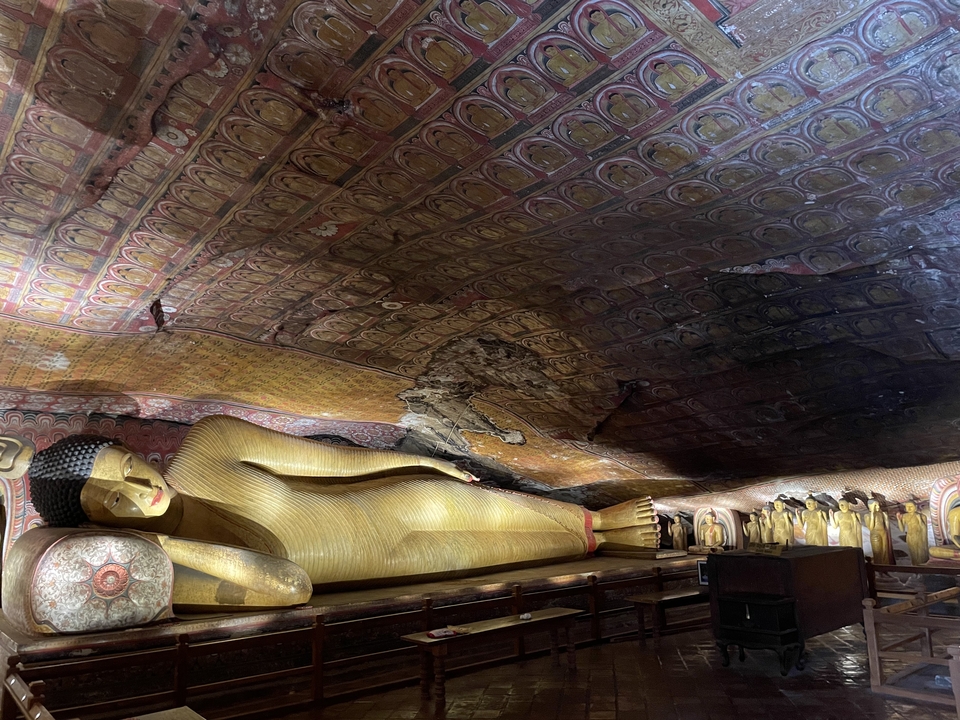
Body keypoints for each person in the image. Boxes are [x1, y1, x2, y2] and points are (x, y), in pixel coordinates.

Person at [20, 416, 660, 607]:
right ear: (100, 526)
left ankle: (607, 520)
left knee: (510, 510)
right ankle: (604, 535)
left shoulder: (208, 444)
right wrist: (161, 551)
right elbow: (289, 586)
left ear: (136, 451)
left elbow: (327, 461)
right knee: (550, 546)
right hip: (393, 560)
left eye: (131, 469)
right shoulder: (181, 578)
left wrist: (422, 464)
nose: (142, 491)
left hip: (397, 501)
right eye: (118, 503)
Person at [897, 501, 929, 565]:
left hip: (919, 537)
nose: (909, 508)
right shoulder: (905, 516)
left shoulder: (922, 516)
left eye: (911, 506)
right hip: (910, 537)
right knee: (913, 553)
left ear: (915, 507)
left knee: (921, 553)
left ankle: (923, 567)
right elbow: (901, 529)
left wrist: (919, 519)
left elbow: (924, 529)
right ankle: (915, 566)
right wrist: (899, 520)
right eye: (907, 507)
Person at [865, 498, 894, 564]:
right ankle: (879, 567)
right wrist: (872, 515)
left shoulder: (880, 513)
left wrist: (886, 518)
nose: (878, 507)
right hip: (875, 534)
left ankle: (886, 566)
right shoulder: (867, 516)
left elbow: (886, 525)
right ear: (871, 506)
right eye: (876, 505)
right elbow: (871, 528)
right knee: (878, 552)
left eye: (878, 505)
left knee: (885, 551)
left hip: (883, 532)